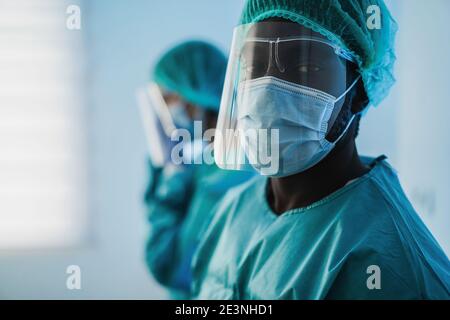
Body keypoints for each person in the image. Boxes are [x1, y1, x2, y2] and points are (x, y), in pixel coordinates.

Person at [192, 0, 450, 299]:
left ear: (359, 93)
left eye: (305, 66)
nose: (266, 92)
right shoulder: (236, 211)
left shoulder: (394, 272)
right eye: (253, 67)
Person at [143, 40, 254, 299]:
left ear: (196, 95)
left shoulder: (231, 168)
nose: (165, 112)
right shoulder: (206, 160)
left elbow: (171, 268)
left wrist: (173, 177)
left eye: (168, 98)